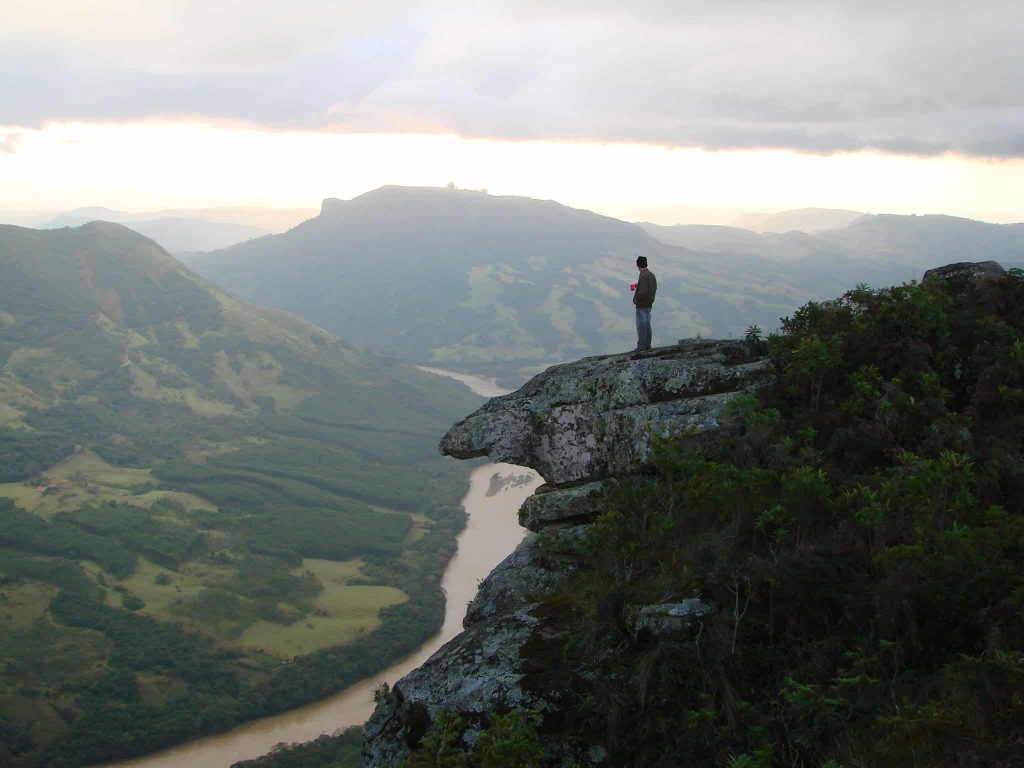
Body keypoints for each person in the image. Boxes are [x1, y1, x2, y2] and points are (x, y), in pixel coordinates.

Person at [631, 255, 657, 351]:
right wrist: (638, 285)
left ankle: (641, 346)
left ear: (638, 265)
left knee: (641, 326)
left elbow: (643, 291)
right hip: (649, 303)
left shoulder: (643, 276)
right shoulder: (651, 275)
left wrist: (636, 299)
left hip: (642, 305)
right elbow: (650, 288)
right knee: (647, 324)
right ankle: (647, 345)